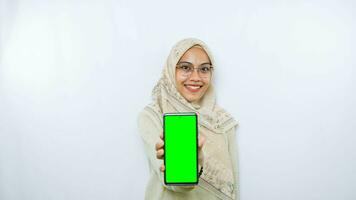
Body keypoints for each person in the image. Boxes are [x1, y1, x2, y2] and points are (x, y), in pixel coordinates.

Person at [137, 38, 239, 200]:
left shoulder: (222, 121)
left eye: (204, 69)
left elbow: (233, 187)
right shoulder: (154, 114)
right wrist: (193, 165)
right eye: (185, 67)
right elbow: (173, 184)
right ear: (171, 69)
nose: (196, 77)